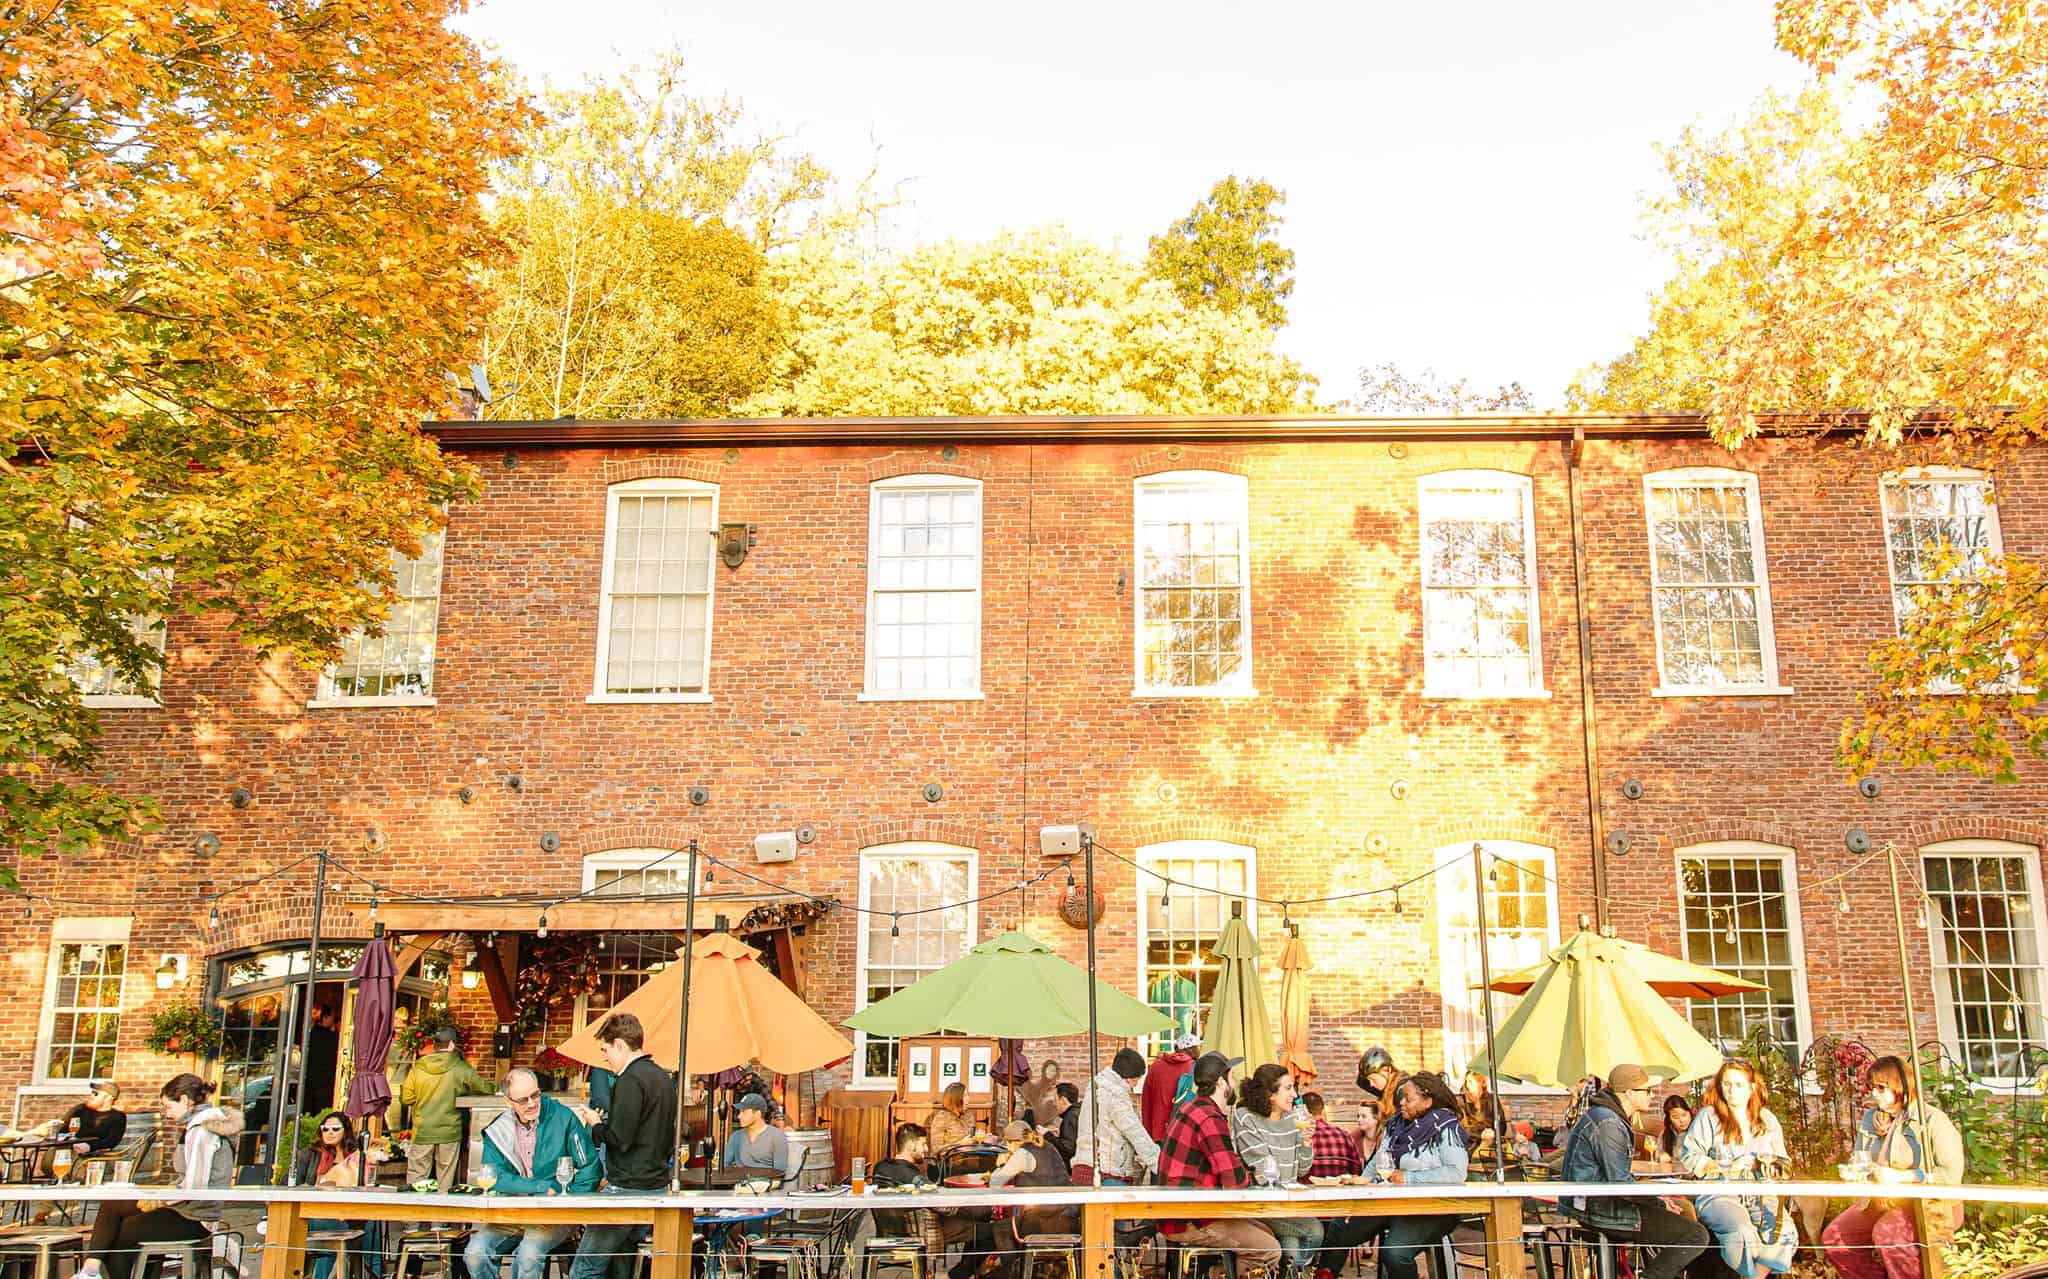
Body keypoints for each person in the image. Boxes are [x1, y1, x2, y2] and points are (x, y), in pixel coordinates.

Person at [79, 1075, 241, 1279]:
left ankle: (91, 1272)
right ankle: (90, 1270)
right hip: (187, 1209)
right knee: (113, 1204)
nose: (167, 1113)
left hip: (197, 1217)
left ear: (185, 1100)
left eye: (169, 1107)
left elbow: (195, 1186)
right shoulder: (202, 1125)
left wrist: (159, 1200)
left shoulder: (201, 1131)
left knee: (124, 1233)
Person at [1820, 1054, 1965, 1279]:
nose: (1874, 1094)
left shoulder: (1932, 1120)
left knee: (1889, 1235)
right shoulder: (1872, 1118)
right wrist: (1856, 1171)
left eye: (1881, 1087)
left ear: (1901, 1085)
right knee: (1836, 1237)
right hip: (1882, 1202)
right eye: (1872, 1088)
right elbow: (1860, 1157)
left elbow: (1951, 1175)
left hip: (1929, 1205)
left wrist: (1902, 1177)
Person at [1561, 1064, 1712, 1279]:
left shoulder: (1606, 1115)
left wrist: (1659, 1200)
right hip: (1599, 1209)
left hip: (1593, 1204)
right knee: (1696, 1235)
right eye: (1647, 1090)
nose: (1652, 1095)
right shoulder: (1609, 1123)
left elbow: (1619, 1179)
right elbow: (1621, 1184)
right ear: (1630, 1093)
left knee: (1682, 1212)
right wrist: (1659, 1203)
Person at [465, 1070, 601, 1279]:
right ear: (508, 1101)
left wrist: (570, 1201)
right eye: (523, 1100)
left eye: (535, 1095)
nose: (531, 1103)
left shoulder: (563, 1117)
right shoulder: (498, 1129)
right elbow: (494, 1176)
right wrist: (540, 1187)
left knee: (528, 1255)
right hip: (513, 1212)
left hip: (555, 1214)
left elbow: (590, 1167)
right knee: (475, 1254)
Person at [570, 1013, 677, 1279]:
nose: (605, 1058)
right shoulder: (662, 1077)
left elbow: (620, 1139)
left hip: (627, 1187)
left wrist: (596, 1124)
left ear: (619, 1044)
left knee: (585, 1269)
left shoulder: (629, 1080)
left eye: (605, 1050)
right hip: (655, 1183)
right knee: (621, 1268)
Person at [1156, 1052, 1282, 1272]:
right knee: (1268, 1249)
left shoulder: (1192, 1107)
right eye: (1231, 1077)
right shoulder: (1209, 1118)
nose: (1235, 1082)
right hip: (1190, 1220)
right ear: (1221, 1083)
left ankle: (1219, 1273)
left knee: (1267, 1232)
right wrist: (1257, 1176)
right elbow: (1234, 1180)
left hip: (1179, 1213)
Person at [1681, 1060, 1796, 1279]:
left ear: (1752, 1087)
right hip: (1719, 1192)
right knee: (1741, 1231)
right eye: (1727, 1084)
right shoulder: (1709, 1117)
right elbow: (1689, 1156)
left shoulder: (1767, 1119)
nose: (1732, 1090)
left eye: (1738, 1085)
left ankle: (1755, 1276)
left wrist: (1769, 1165)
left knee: (1784, 1233)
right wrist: (1724, 1167)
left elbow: (1784, 1163)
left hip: (1760, 1193)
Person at [1370, 1072, 1471, 1279]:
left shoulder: (1446, 1127)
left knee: (1395, 1254)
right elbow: (1378, 1162)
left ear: (1427, 1101)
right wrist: (1360, 1187)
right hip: (1396, 1204)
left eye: (1408, 1099)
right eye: (1402, 1098)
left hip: (1435, 1209)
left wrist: (1409, 1178)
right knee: (1341, 1228)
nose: (1401, 1103)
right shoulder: (1396, 1124)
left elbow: (1456, 1172)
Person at [1234, 1063, 1324, 1278]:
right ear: (1270, 1094)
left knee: (1292, 1246)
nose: (1295, 1095)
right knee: (1314, 1231)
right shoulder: (1245, 1117)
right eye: (1288, 1088)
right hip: (1260, 1204)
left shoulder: (1294, 1119)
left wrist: (1306, 1142)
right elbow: (1265, 1173)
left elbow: (1303, 1170)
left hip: (1287, 1205)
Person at [873, 1123, 988, 1279]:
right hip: (919, 1233)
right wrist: (974, 1209)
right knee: (989, 1232)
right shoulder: (910, 1175)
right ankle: (954, 1277)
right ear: (911, 1145)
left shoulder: (881, 1167)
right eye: (923, 1144)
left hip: (889, 1229)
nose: (926, 1149)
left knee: (978, 1222)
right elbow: (941, 1204)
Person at [397, 1025, 492, 1189]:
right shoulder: (461, 1068)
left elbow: (406, 1098)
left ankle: (416, 1205)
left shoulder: (418, 1068)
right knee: (445, 1183)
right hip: (449, 1132)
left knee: (416, 1182)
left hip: (422, 1131)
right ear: (452, 1044)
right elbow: (485, 1088)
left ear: (435, 1045)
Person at [988, 1120, 1076, 1279]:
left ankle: (1014, 1273)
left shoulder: (1023, 1153)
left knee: (1000, 1229)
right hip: (1067, 1218)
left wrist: (1001, 1163)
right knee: (1014, 1223)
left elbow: (995, 1183)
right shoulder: (1048, 1146)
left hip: (1043, 1223)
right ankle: (1030, 1269)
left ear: (1011, 1142)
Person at [1303, 1092, 1374, 1279]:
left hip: (1307, 1210)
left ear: (1304, 1112)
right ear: (1322, 1110)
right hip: (1339, 1211)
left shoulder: (1300, 1137)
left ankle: (1309, 1267)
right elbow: (1356, 1173)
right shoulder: (1343, 1135)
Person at [1071, 1048, 1160, 1186]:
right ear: (1130, 1078)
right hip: (1105, 1174)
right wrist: (1162, 1165)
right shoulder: (1115, 1096)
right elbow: (1136, 1133)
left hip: (1083, 1168)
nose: (1136, 1084)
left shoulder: (1095, 1087)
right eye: (1137, 1080)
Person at [294, 1111, 364, 1279]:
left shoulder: (356, 1157)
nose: (330, 1132)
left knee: (372, 1225)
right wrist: (307, 1188)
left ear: (345, 1131)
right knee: (329, 1226)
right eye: (325, 1129)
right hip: (316, 1212)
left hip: (348, 1210)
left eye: (335, 1129)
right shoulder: (310, 1154)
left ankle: (370, 1273)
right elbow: (291, 1183)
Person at [1142, 1034, 1200, 1142]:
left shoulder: (1156, 1066)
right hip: (1183, 1133)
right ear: (1195, 1049)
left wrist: (1147, 1133)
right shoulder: (1195, 1069)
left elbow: (1146, 1102)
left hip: (1158, 1131)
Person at [723, 1093, 790, 1178]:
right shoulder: (736, 1136)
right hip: (739, 1183)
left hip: (767, 1183)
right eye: (739, 1112)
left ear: (757, 1114)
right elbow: (723, 1165)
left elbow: (779, 1172)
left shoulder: (777, 1136)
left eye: (744, 1112)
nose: (739, 1116)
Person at [1355, 1046, 1401, 1164]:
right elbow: (1361, 1082)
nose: (1370, 1084)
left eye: (1373, 1079)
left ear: (1387, 1070)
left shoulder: (1401, 1091)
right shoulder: (1387, 1090)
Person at [303, 1002, 341, 1113]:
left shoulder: (311, 1033)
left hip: (311, 1082)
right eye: (332, 1016)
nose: (333, 1019)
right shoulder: (329, 1037)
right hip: (324, 1083)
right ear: (325, 1017)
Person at [1458, 1070, 1511, 1148]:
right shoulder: (1462, 1101)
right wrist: (1480, 1134)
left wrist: (1494, 1133)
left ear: (1479, 1082)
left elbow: (1501, 1123)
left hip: (1491, 1144)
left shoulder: (1492, 1099)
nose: (1467, 1085)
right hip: (1470, 1144)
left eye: (1470, 1081)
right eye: (1466, 1081)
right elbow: (1460, 1127)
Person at [925, 1081, 974, 1152]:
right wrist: (960, 1144)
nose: (968, 1098)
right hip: (950, 1158)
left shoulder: (968, 1115)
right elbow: (936, 1149)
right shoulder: (941, 1118)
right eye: (964, 1096)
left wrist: (983, 1139)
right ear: (955, 1098)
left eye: (967, 1095)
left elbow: (970, 1138)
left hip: (969, 1156)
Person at [1045, 1082, 1081, 1162]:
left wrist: (1046, 1135)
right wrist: (1061, 1134)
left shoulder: (1070, 1116)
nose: (1054, 1104)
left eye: (1055, 1100)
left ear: (1063, 1100)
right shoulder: (1077, 1112)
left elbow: (1068, 1149)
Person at [1019, 1061, 1061, 1127]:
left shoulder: (1056, 1091)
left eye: (1053, 1071)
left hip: (1047, 1125)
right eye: (1049, 1069)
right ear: (1043, 1071)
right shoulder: (1034, 1086)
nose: (1050, 1072)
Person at [1660, 1095, 1697, 1163]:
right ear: (1669, 1119)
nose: (1682, 1120)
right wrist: (1662, 1156)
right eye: (1676, 1117)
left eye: (1684, 1115)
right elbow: (1658, 1155)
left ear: (1690, 1113)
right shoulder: (1666, 1134)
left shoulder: (1697, 1131)